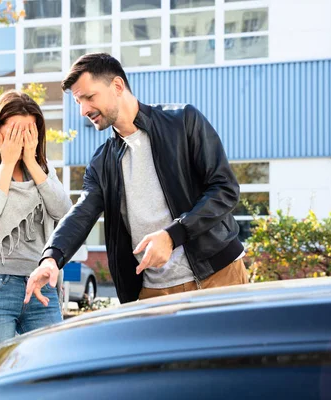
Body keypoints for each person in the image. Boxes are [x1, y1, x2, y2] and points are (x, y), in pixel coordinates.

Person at [25, 53, 249, 306]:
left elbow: (224, 190)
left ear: (117, 86)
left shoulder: (183, 121)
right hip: (153, 294)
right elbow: (82, 213)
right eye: (78, 102)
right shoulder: (102, 162)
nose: (84, 110)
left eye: (89, 97)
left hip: (218, 276)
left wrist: (172, 235)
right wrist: (52, 257)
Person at [0, 90, 72, 351]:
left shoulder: (43, 169)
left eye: (30, 131)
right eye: (16, 130)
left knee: (50, 367)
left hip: (40, 283)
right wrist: (7, 165)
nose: (23, 138)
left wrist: (31, 161)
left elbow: (63, 211)